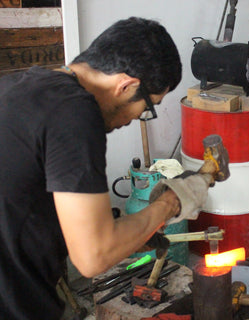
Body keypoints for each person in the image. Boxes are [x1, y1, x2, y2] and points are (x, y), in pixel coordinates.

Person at [0, 17, 210, 320]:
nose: (136, 118)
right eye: (148, 107)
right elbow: (93, 257)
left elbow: (22, 197)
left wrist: (131, 229)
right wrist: (170, 203)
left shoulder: (19, 87)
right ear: (126, 85)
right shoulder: (74, 112)